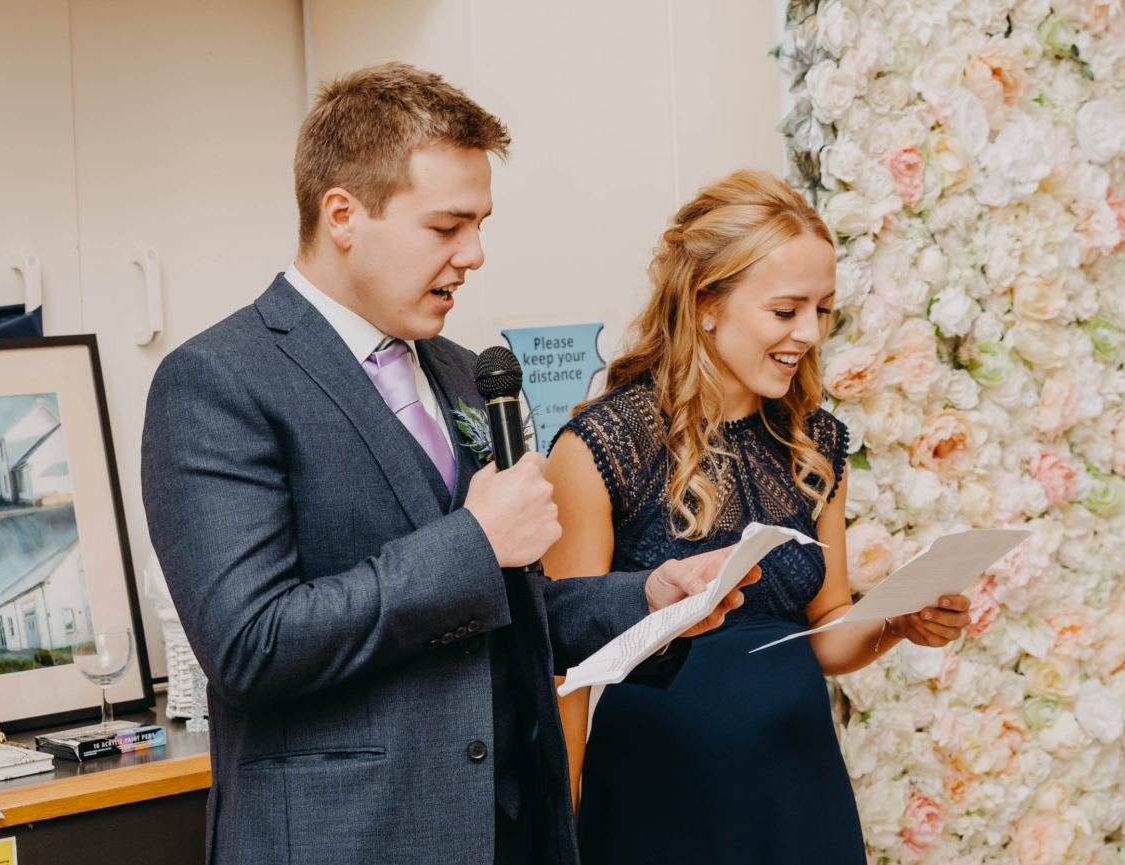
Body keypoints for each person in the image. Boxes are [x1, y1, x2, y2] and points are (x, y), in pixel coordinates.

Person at [140, 63, 755, 865]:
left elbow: (510, 608)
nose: (475, 254)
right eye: (446, 226)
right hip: (348, 842)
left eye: (481, 223)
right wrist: (471, 539)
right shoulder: (218, 380)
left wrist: (648, 598)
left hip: (511, 834)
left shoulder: (465, 371)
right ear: (343, 215)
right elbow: (252, 644)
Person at [543, 169, 974, 864]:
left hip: (801, 791)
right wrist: (556, 841)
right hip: (660, 802)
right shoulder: (603, 446)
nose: (809, 332)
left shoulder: (817, 442)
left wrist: (897, 622)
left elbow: (827, 631)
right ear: (706, 302)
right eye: (786, 310)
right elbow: (565, 669)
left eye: (824, 310)